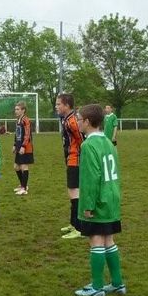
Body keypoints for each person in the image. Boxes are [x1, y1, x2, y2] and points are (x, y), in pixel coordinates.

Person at [73, 104, 126, 296]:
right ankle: (117, 283)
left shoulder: (88, 145)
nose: (77, 122)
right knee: (109, 240)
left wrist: (87, 205)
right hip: (112, 197)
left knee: (96, 240)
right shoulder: (108, 143)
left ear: (87, 122)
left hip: (98, 200)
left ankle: (96, 287)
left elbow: (91, 178)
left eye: (79, 119)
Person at [55, 93, 84, 239]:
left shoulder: (72, 121)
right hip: (71, 159)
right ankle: (74, 223)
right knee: (72, 192)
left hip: (76, 160)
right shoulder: (67, 119)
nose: (56, 106)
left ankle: (79, 228)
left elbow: (82, 140)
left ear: (67, 105)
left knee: (74, 192)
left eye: (59, 104)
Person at [12, 101, 34, 195]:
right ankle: (23, 185)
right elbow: (17, 134)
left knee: (24, 166)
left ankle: (24, 188)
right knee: (16, 167)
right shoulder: (18, 120)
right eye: (15, 109)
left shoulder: (26, 120)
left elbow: (28, 134)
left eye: (17, 109)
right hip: (19, 146)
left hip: (25, 147)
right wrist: (14, 145)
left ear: (23, 110)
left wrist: (23, 146)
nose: (15, 111)